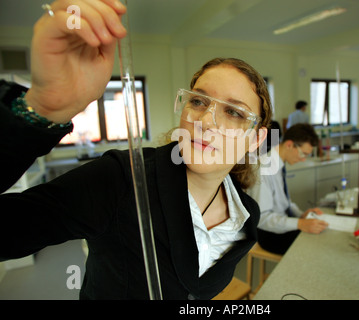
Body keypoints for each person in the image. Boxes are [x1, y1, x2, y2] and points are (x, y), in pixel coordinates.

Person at [0, 0, 272, 300]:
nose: (206, 121)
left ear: (255, 139)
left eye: (234, 112)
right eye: (198, 101)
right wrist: (41, 108)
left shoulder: (246, 216)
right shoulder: (124, 178)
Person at [247, 124, 328, 255]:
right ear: (289, 144)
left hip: (280, 223)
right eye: (303, 154)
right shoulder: (264, 170)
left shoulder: (278, 164)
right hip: (268, 234)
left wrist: (300, 214)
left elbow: (284, 202)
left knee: (321, 235)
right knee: (316, 247)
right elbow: (262, 219)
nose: (303, 159)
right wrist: (300, 224)